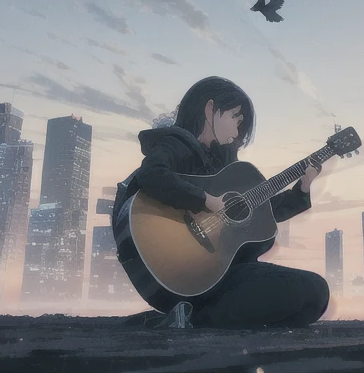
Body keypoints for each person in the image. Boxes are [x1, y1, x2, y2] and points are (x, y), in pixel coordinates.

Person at [114, 76, 329, 329]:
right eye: (235, 118)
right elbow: (151, 175)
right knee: (294, 293)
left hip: (221, 273)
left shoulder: (226, 169)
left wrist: (301, 189)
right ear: (210, 109)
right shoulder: (177, 144)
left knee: (315, 293)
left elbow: (261, 213)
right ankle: (193, 320)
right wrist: (207, 201)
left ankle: (187, 319)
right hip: (179, 269)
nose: (238, 132)